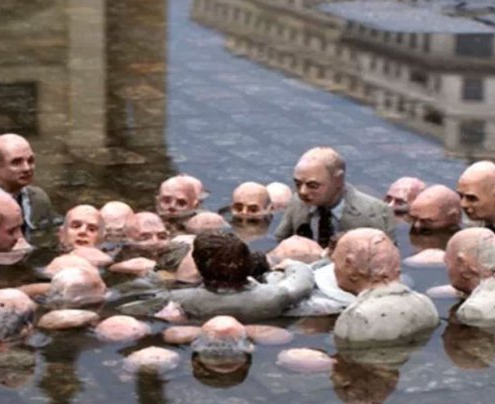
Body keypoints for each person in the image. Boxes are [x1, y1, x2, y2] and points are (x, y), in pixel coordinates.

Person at [148, 231, 315, 321]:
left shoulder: (181, 299)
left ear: (199, 265)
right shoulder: (274, 296)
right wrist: (293, 265)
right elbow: (303, 282)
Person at [331, 229, 439, 345]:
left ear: (350, 266)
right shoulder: (426, 303)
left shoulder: (355, 318)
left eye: (335, 261)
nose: (334, 269)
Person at [275, 147, 394, 244]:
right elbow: (281, 240)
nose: (303, 192)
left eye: (313, 185)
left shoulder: (375, 212)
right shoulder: (297, 202)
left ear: (338, 180)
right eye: (298, 184)